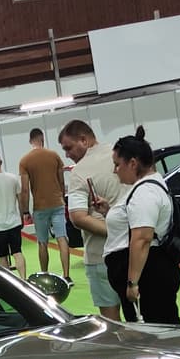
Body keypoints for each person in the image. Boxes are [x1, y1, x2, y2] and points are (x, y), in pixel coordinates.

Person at [107, 129, 180, 325]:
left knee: (154, 331)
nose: (115, 170)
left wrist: (133, 283)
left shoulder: (145, 192)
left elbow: (142, 239)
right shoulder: (148, 187)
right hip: (150, 271)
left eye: (117, 164)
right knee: (159, 326)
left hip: (148, 275)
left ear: (133, 163)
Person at [59, 119, 123, 320]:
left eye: (68, 148)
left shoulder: (79, 172)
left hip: (100, 254)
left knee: (112, 322)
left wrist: (113, 230)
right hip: (135, 250)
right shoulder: (121, 155)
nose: (67, 154)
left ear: (84, 140)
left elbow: (78, 217)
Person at [19, 127, 71, 283]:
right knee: (62, 238)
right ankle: (66, 275)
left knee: (42, 242)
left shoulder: (25, 161)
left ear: (30, 141)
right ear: (42, 139)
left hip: (40, 207)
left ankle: (45, 274)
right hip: (57, 204)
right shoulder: (54, 156)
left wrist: (25, 211)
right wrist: (62, 198)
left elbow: (25, 189)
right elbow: (62, 180)